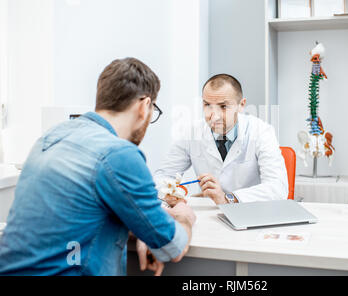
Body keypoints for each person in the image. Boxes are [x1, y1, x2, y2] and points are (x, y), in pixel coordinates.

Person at [0, 57, 196, 276]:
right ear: (144, 106)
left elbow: (77, 218)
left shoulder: (50, 138)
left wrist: (144, 229)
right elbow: (174, 247)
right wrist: (184, 216)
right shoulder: (121, 155)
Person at [155, 74, 288, 205]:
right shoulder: (192, 133)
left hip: (251, 213)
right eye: (207, 105)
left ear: (241, 105)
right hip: (210, 214)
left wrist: (228, 198)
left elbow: (278, 188)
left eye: (223, 107)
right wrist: (168, 194)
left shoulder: (261, 131)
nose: (214, 116)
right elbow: (163, 176)